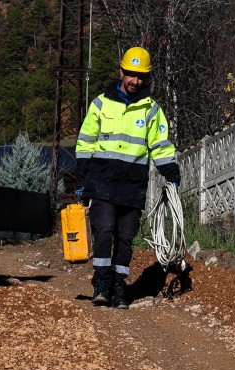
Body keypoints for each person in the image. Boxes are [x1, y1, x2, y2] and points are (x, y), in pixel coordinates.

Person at [74, 46, 181, 310]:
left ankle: (119, 286)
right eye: (131, 74)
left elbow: (160, 146)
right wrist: (81, 178)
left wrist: (171, 174)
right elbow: (86, 142)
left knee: (125, 238)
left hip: (132, 184)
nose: (135, 81)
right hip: (102, 180)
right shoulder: (100, 104)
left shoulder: (152, 111)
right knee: (103, 231)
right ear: (121, 71)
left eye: (140, 76)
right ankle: (102, 283)